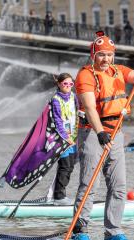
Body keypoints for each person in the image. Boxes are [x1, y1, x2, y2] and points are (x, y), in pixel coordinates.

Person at [72, 31, 134, 240]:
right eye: (101, 55)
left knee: (119, 185)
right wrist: (100, 134)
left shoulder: (118, 71)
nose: (106, 59)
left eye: (109, 55)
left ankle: (113, 231)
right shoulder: (85, 75)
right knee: (89, 183)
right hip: (93, 131)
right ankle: (80, 231)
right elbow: (89, 107)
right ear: (94, 55)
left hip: (116, 132)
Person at [47, 73, 79, 206]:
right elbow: (58, 121)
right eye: (65, 84)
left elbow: (78, 111)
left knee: (70, 166)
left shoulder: (73, 96)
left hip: (74, 137)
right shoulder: (56, 99)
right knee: (65, 166)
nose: (68, 86)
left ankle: (59, 194)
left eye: (70, 84)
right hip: (62, 139)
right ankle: (59, 197)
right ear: (59, 84)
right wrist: (66, 137)